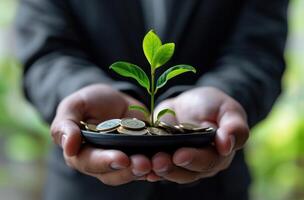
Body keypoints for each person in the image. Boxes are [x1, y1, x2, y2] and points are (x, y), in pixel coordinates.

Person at [15, 0, 289, 199]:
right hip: (86, 189)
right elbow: (46, 51)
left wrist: (226, 94)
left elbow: (258, 52)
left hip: (213, 188)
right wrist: (79, 94)